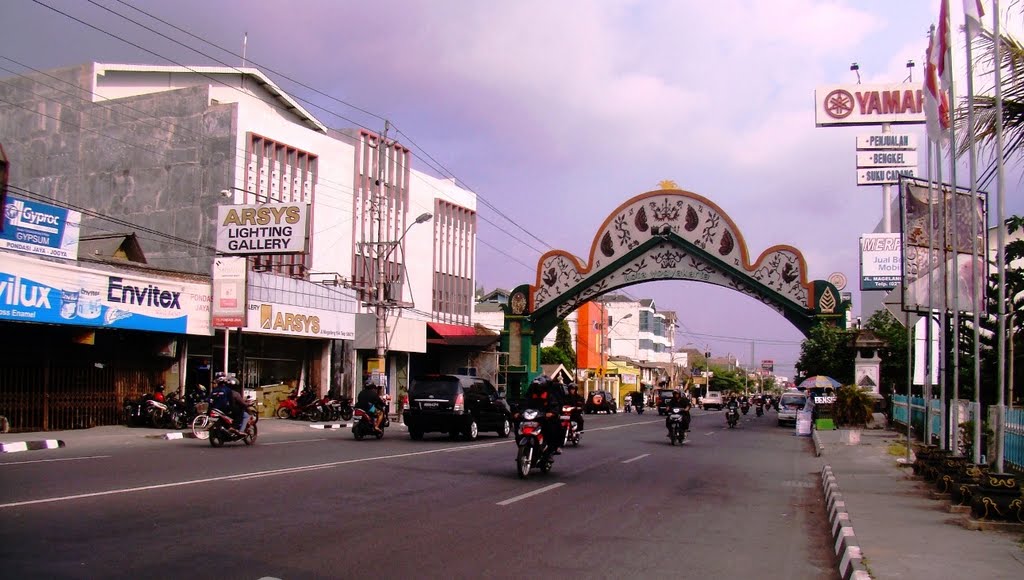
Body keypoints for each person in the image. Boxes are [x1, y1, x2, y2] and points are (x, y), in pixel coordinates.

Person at [522, 375, 565, 455]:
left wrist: (551, 413)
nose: (537, 388)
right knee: (519, 425)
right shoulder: (531, 394)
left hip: (544, 417)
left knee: (552, 428)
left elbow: (555, 405)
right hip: (533, 416)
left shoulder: (550, 395)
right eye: (535, 386)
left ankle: (550, 450)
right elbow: (524, 403)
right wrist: (518, 412)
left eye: (538, 386)